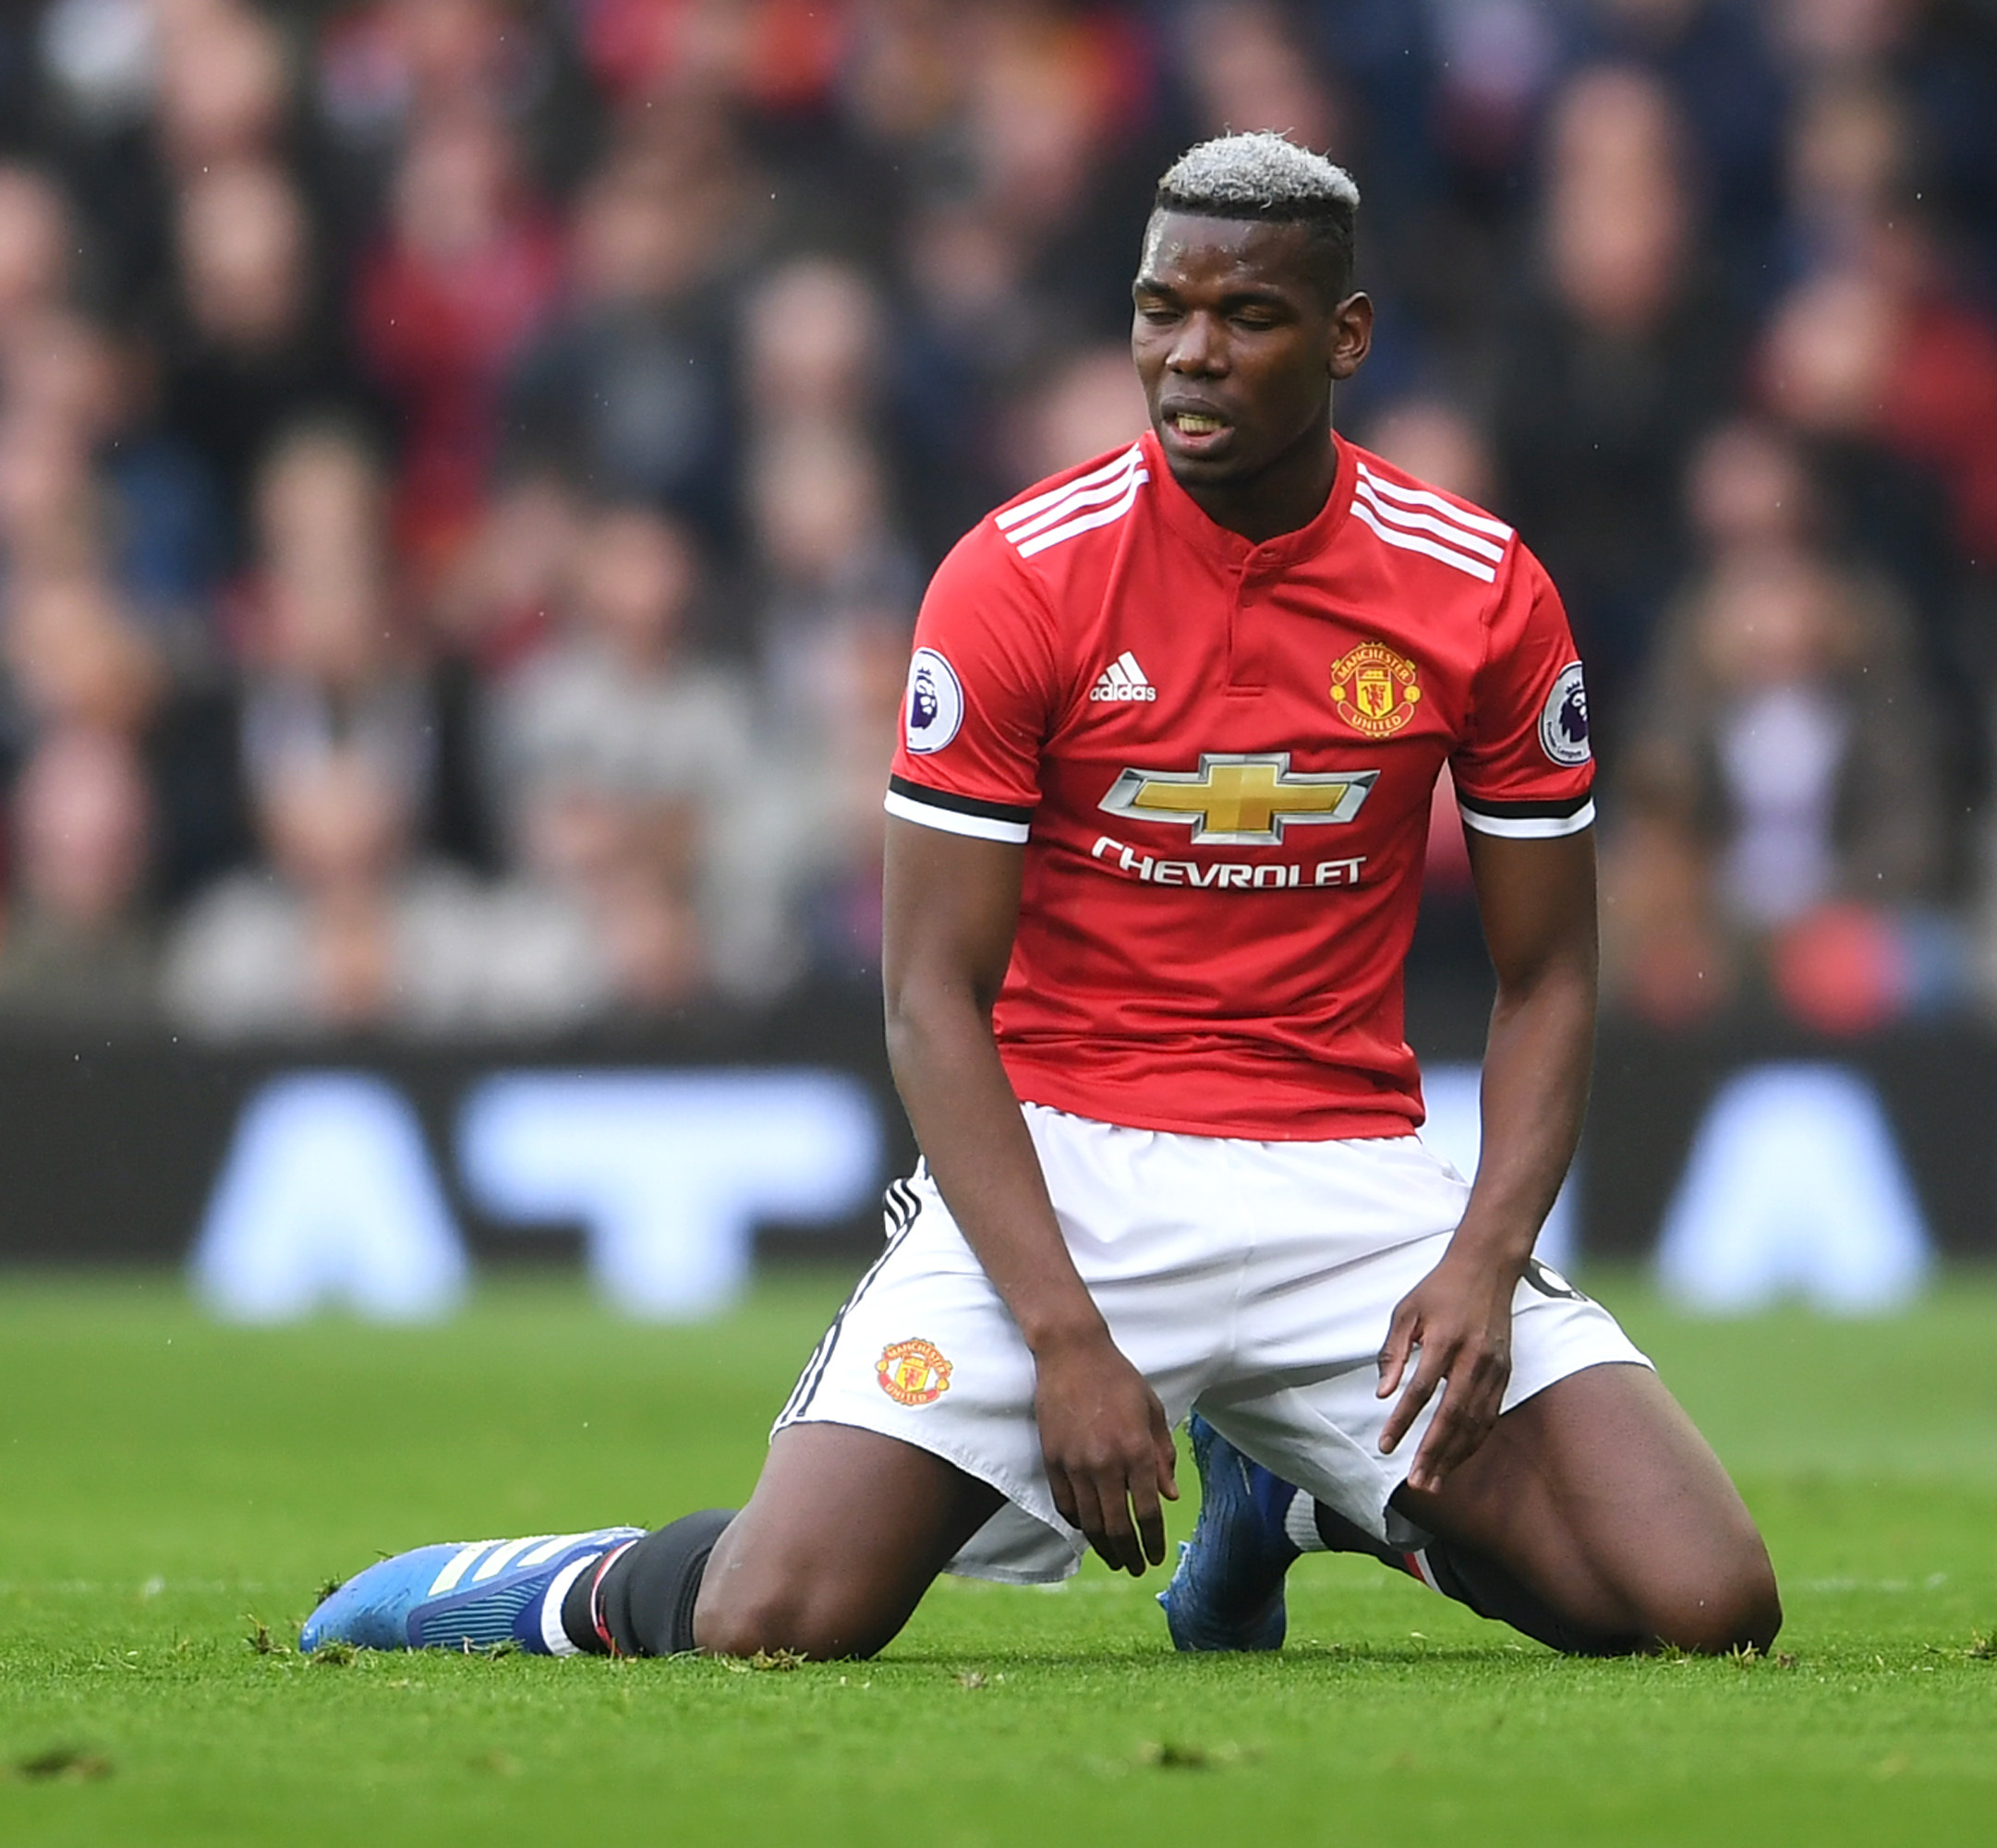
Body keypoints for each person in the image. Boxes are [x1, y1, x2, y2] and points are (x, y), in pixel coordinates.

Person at [298, 132, 1780, 1662]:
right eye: (1159, 311)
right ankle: (517, 1589)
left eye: (1247, 317)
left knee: (1701, 1599)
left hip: (1351, 1177)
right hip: (1070, 1165)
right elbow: (927, 994)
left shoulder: (1479, 589)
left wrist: (1478, 1259)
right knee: (779, 1614)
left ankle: (1301, 1496)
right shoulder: (1016, 578)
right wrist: (1068, 1337)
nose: (1190, 355)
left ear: (1347, 337)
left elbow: (1551, 980)